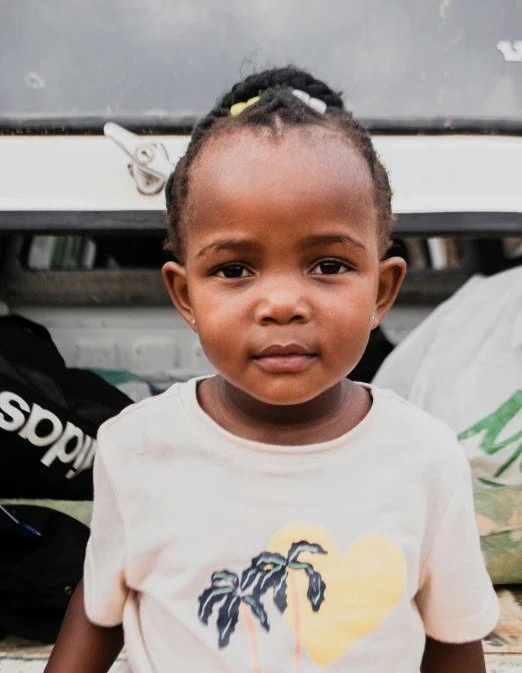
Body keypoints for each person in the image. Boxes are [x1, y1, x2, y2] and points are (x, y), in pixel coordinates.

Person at [45, 66, 498, 673]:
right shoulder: (135, 447)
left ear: (383, 290)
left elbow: (453, 644)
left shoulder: (426, 459)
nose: (283, 303)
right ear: (185, 297)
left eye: (329, 265)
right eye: (234, 270)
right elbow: (99, 613)